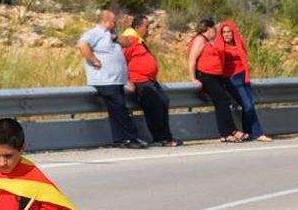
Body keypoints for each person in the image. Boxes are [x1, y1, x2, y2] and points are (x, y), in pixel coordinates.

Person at [77, 8, 143, 148]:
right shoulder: (95, 33)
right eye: (114, 21)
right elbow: (82, 44)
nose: (116, 24)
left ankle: (120, 139)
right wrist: (94, 59)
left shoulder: (110, 35)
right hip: (105, 80)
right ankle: (132, 138)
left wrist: (115, 36)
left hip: (116, 80)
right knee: (120, 109)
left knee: (116, 110)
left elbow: (127, 42)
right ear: (106, 21)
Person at [117, 15, 178, 147]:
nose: (148, 30)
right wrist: (126, 80)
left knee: (164, 101)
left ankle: (167, 136)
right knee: (155, 106)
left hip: (149, 80)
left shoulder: (139, 40)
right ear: (137, 27)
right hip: (139, 81)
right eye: (146, 27)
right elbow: (120, 61)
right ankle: (161, 138)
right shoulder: (130, 40)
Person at [187, 18, 245, 141]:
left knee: (222, 102)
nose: (215, 32)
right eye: (214, 29)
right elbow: (192, 59)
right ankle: (230, 131)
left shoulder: (207, 40)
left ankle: (226, 134)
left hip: (215, 76)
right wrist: (193, 78)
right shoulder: (200, 39)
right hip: (206, 76)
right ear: (208, 29)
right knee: (223, 100)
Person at [217, 21, 266, 140]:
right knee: (248, 105)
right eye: (224, 32)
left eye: (229, 32)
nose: (226, 34)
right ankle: (258, 133)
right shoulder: (220, 47)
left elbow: (245, 58)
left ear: (233, 33)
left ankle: (249, 133)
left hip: (243, 76)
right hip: (231, 79)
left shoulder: (239, 44)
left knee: (249, 105)